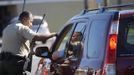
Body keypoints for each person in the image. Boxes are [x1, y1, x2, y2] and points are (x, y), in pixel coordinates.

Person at [0, 11, 57, 75]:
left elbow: (15, 44)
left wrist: (29, 49)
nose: (31, 24)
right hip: (14, 65)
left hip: (2, 64)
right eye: (31, 21)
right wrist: (53, 34)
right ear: (25, 19)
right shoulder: (22, 27)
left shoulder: (8, 28)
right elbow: (38, 37)